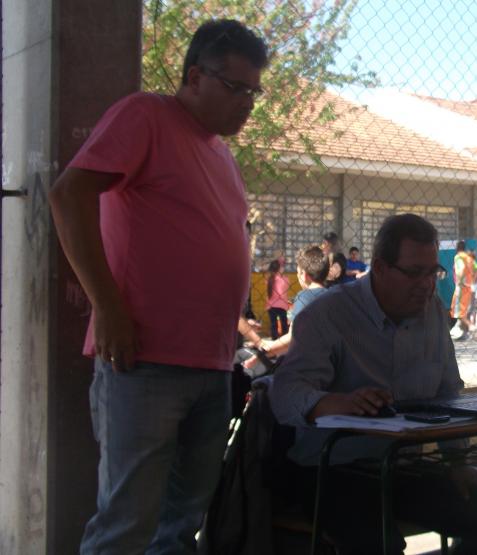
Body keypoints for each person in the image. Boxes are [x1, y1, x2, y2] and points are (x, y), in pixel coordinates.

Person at [48, 19, 268, 553]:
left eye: (253, 92)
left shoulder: (221, 154)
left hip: (211, 365)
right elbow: (68, 195)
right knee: (127, 525)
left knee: (179, 527)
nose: (247, 104)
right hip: (143, 361)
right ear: (195, 77)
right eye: (235, 88)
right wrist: (108, 308)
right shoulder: (146, 115)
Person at [270, 214, 477, 554]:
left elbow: (448, 392)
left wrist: (457, 465)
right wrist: (335, 403)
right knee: (376, 544)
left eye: (432, 272)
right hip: (330, 471)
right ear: (379, 268)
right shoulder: (327, 315)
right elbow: (284, 393)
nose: (427, 284)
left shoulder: (433, 312)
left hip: (402, 467)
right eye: (414, 272)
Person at [450, 240, 475, 339]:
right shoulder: (469, 258)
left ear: (457, 248)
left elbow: (460, 269)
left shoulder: (458, 257)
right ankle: (462, 331)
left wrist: (460, 281)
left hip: (461, 286)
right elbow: (476, 270)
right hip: (468, 286)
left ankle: (470, 326)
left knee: (458, 310)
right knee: (463, 310)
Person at [265, 258, 291, 339]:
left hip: (271, 305)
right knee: (284, 324)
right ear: (279, 268)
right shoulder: (284, 279)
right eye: (282, 267)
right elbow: (284, 290)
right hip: (282, 305)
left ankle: (274, 339)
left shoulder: (269, 279)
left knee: (273, 324)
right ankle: (284, 339)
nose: (284, 268)